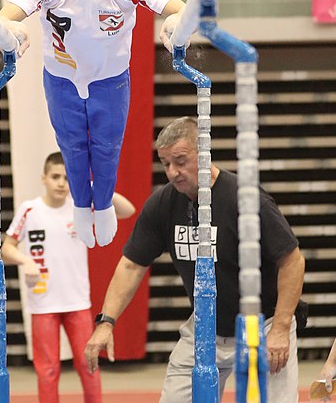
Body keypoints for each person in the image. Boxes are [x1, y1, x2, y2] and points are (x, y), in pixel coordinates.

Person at [0, 0, 186, 248]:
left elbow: (179, 8)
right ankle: (83, 207)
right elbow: (5, 15)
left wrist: (177, 22)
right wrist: (10, 28)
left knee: (106, 146)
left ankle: (102, 206)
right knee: (72, 146)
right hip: (62, 76)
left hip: (110, 77)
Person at [84, 116, 305, 403]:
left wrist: (280, 328)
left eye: (181, 160)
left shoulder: (246, 198)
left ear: (203, 154)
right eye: (165, 164)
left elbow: (292, 261)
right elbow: (131, 264)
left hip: (261, 326)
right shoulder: (162, 204)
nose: (173, 172)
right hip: (204, 329)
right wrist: (106, 322)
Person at [1, 151, 135, 403]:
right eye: (55, 177)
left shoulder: (81, 206)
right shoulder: (29, 210)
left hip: (77, 303)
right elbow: (6, 248)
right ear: (44, 178)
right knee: (48, 369)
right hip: (43, 304)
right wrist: (26, 260)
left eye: (66, 177)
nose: (61, 183)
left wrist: (97, 188)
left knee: (89, 364)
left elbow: (127, 210)